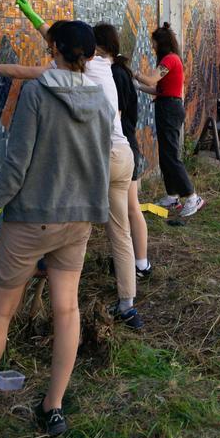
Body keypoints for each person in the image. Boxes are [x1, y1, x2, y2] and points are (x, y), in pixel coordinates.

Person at [0, 21, 113, 437]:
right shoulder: (100, 100)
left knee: (1, 312)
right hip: (78, 221)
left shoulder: (37, 94)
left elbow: (15, 166)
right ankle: (53, 408)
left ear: (54, 49)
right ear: (89, 56)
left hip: (31, 220)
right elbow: (101, 161)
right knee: (67, 310)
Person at [0, 0, 142, 329]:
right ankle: (128, 302)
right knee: (120, 231)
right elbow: (57, 39)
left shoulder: (64, 76)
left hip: (101, 157)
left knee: (58, 208)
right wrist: (31, 14)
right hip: (123, 155)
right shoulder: (102, 66)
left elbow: (27, 72)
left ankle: (44, 267)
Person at [94, 23, 151, 281]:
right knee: (131, 208)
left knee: (130, 209)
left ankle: (139, 264)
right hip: (128, 145)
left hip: (122, 146)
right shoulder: (120, 70)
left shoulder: (113, 73)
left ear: (99, 46)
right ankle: (140, 263)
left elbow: (115, 113)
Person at [134, 23, 204, 219]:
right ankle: (172, 196)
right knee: (165, 155)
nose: (152, 46)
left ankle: (192, 196)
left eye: (154, 43)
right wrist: (137, 86)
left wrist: (135, 74)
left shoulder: (170, 59)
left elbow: (151, 80)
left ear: (161, 42)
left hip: (170, 109)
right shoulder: (170, 60)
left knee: (171, 156)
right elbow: (158, 89)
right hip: (166, 106)